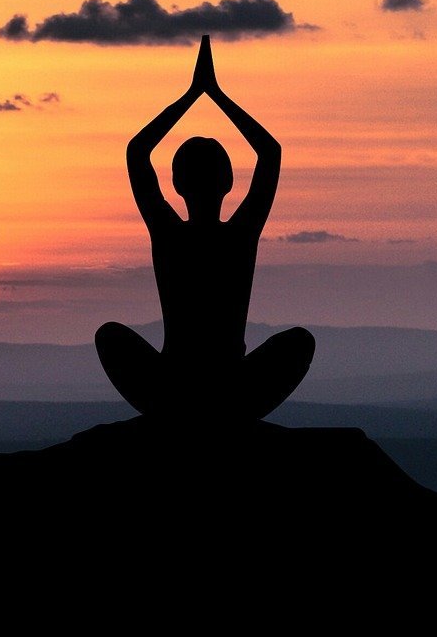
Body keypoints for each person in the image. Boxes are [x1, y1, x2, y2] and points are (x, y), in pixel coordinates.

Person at [95, 35, 314, 421]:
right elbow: (270, 153)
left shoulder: (169, 233)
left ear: (177, 184)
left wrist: (194, 94)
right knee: (299, 342)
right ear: (229, 182)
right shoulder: (240, 234)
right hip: (229, 387)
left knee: (109, 336)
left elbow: (137, 152)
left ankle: (182, 414)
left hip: (175, 386)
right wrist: (214, 94)